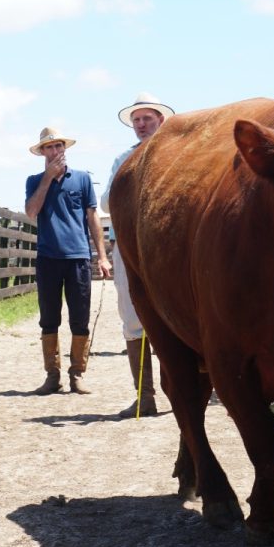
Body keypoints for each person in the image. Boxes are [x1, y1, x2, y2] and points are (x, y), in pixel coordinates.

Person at [100, 93, 174, 418]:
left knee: (175, 310)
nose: (142, 125)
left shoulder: (175, 156)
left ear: (161, 120)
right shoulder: (123, 160)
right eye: (137, 120)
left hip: (166, 242)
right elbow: (105, 203)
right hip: (128, 244)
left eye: (147, 119)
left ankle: (183, 390)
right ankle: (145, 396)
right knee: (131, 313)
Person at [24, 127, 111, 395]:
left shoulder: (83, 180)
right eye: (48, 147)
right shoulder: (34, 180)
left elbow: (92, 218)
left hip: (78, 258)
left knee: (80, 319)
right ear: (42, 153)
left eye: (58, 146)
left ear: (65, 149)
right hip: (48, 258)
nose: (54, 151)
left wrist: (103, 256)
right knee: (49, 319)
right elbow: (31, 212)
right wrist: (47, 180)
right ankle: (52, 375)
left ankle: (77, 374)